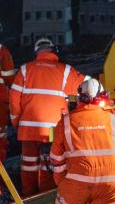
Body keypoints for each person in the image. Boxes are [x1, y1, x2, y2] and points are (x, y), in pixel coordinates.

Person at [10, 37, 85, 193]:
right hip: (54, 128)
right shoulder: (66, 71)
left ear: (36, 52)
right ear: (54, 51)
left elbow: (14, 98)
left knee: (29, 163)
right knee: (52, 162)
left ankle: (29, 196)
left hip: (29, 128)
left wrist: (17, 121)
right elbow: (81, 91)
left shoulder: (25, 69)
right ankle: (46, 196)